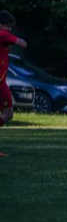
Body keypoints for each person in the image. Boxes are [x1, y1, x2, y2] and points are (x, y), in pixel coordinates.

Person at [0, 11, 28, 157]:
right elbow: (23, 44)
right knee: (7, 113)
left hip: (2, 82)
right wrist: (12, 38)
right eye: (8, 26)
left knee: (9, 113)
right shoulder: (2, 34)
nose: (10, 30)